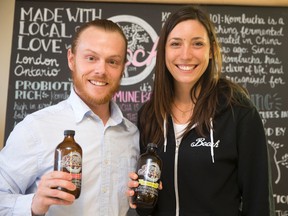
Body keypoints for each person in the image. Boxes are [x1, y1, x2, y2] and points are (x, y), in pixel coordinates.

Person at [127, 5, 275, 216]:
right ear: (163, 51)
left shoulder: (239, 112)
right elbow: (148, 206)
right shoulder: (149, 115)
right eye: (176, 44)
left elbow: (259, 201)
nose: (185, 55)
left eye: (197, 43)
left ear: (212, 50)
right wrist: (139, 197)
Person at [0, 19, 139, 216]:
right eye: (91, 58)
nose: (101, 70)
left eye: (112, 61)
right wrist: (33, 204)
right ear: (71, 59)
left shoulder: (132, 135)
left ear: (123, 67)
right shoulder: (35, 128)